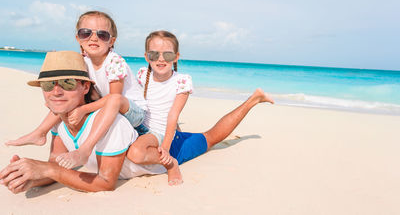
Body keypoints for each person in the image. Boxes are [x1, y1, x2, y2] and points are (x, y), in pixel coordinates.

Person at [0, 51, 273, 193]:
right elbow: (55, 168)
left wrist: (47, 171)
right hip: (146, 137)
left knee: (211, 137)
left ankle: (252, 100)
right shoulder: (59, 124)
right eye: (49, 84)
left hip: (160, 154)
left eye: (67, 82)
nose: (56, 91)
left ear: (85, 87)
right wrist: (29, 176)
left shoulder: (111, 124)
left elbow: (105, 183)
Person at [6, 11, 147, 170]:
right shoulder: (83, 62)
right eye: (86, 33)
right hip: (107, 107)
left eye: (102, 35)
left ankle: (85, 150)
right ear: (78, 38)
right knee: (67, 100)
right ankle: (40, 132)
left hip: (134, 114)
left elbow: (115, 97)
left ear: (111, 41)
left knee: (113, 99)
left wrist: (83, 109)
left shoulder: (114, 61)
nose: (93, 38)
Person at [127, 30, 191, 185]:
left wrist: (166, 149)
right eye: (154, 55)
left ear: (176, 57)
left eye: (167, 55)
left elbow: (173, 116)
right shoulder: (143, 73)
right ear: (147, 57)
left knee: (136, 153)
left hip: (156, 131)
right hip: (139, 124)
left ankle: (171, 164)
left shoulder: (182, 81)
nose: (161, 59)